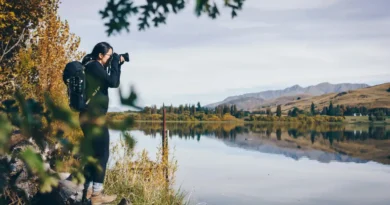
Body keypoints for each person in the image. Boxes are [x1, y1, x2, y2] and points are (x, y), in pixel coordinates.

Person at [79, 42, 124, 204]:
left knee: (94, 154)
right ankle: (97, 195)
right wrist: (116, 65)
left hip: (88, 117)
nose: (110, 58)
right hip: (94, 117)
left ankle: (88, 191)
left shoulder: (90, 66)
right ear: (100, 55)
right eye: (109, 56)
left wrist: (115, 63)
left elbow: (110, 81)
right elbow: (114, 82)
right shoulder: (94, 67)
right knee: (103, 154)